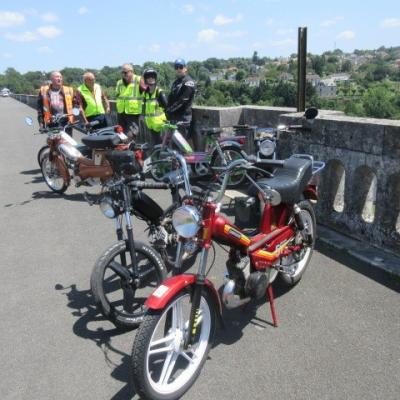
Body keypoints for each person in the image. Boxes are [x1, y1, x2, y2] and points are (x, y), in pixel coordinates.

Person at [166, 58, 196, 141]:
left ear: (185, 68)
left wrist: (169, 110)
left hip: (183, 118)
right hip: (175, 118)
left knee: (182, 145)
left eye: (181, 67)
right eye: (176, 67)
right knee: (174, 145)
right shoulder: (176, 82)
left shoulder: (188, 82)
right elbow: (170, 98)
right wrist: (166, 110)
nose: (178, 69)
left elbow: (182, 100)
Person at [37, 71, 74, 135]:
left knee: (68, 143)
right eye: (57, 77)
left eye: (60, 77)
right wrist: (41, 124)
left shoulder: (68, 90)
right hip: (52, 122)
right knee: (53, 143)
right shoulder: (44, 90)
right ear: (51, 79)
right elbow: (40, 109)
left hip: (66, 122)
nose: (59, 78)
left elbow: (74, 104)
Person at [115, 63, 146, 139]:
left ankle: (129, 148)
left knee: (131, 134)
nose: (123, 74)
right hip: (121, 112)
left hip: (132, 112)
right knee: (120, 133)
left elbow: (147, 92)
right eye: (122, 72)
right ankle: (124, 149)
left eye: (125, 72)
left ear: (131, 71)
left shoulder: (138, 80)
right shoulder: (119, 82)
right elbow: (117, 95)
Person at [142, 68, 168, 146]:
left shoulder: (159, 92)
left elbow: (167, 107)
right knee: (155, 145)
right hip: (151, 125)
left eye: (153, 76)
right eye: (148, 77)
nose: (151, 78)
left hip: (161, 126)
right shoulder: (145, 93)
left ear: (155, 78)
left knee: (162, 146)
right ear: (146, 79)